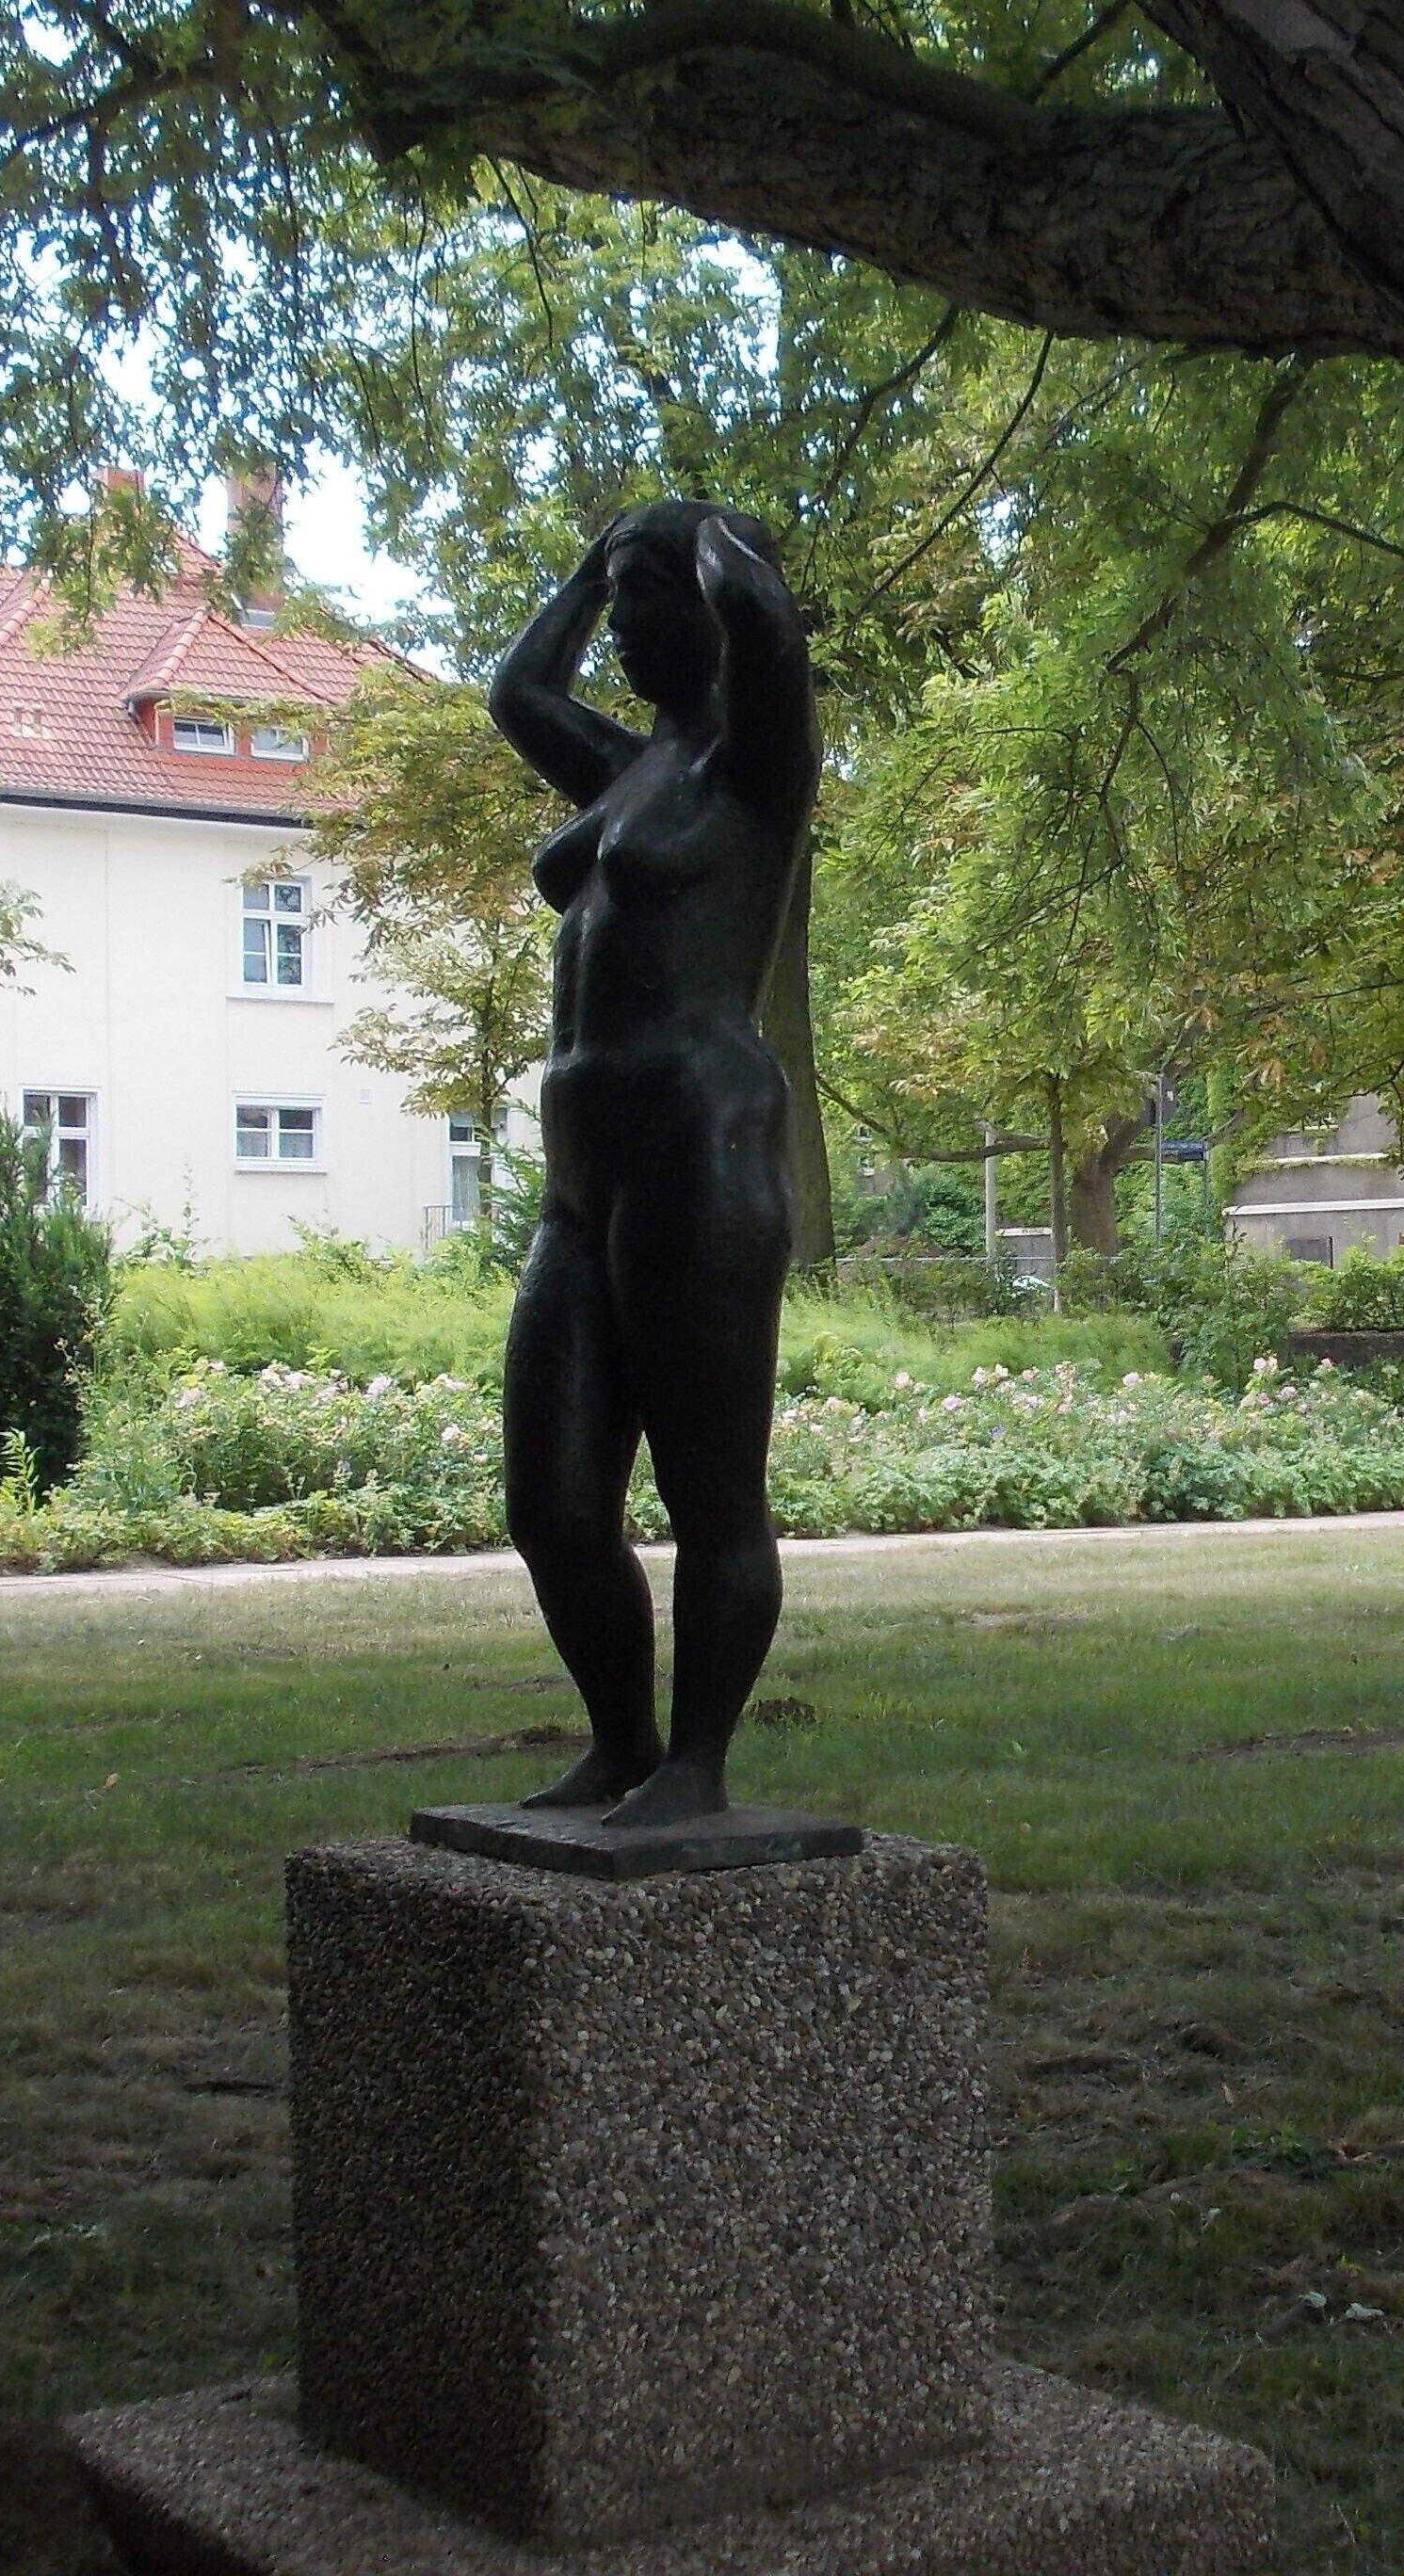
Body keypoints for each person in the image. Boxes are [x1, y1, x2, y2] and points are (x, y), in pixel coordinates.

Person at [485, 499, 817, 1826]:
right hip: (583, 1175)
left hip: (700, 1149)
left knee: (708, 1489)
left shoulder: (757, 767)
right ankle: (622, 1744)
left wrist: (706, 542)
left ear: (704, 607)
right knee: (553, 1502)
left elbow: (773, 640)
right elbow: (518, 689)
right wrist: (600, 550)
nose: (619, 627)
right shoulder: (625, 769)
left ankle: (697, 1767)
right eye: (614, 602)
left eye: (642, 599)